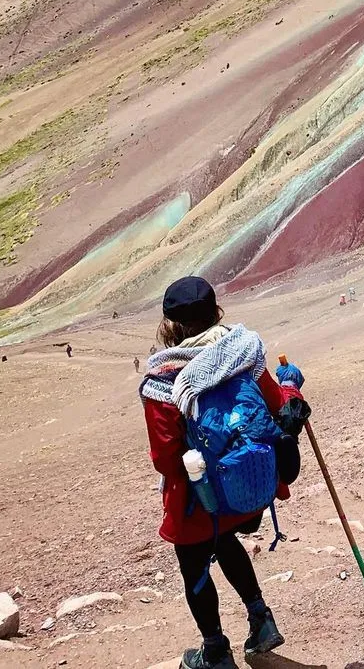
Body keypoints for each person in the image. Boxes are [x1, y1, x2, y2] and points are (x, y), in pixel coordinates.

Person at [141, 277, 292, 668]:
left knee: (195, 565)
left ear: (170, 325)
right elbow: (277, 404)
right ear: (215, 311)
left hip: (199, 498)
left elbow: (165, 459)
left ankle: (215, 651)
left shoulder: (163, 380)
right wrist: (293, 390)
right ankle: (260, 619)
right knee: (225, 541)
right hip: (243, 489)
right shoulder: (243, 351)